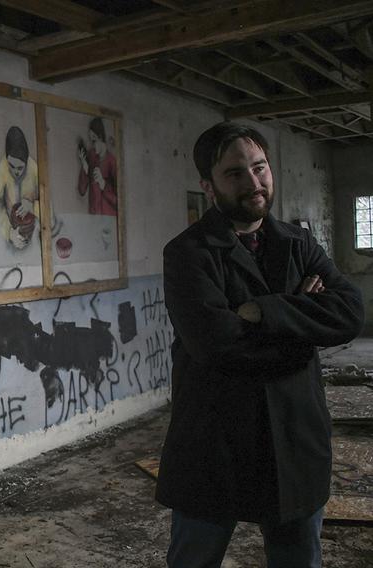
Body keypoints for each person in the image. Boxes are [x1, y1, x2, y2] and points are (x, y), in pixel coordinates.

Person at [157, 122, 363, 567]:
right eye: (235, 173)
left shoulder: (297, 242)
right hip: (215, 441)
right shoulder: (188, 253)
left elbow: (349, 313)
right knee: (195, 557)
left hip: (295, 437)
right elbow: (213, 346)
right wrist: (303, 327)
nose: (253, 183)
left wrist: (262, 312)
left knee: (297, 559)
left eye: (260, 167)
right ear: (208, 186)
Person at [0, 126, 39, 250]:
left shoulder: (34, 169)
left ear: (26, 162)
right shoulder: (2, 168)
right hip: (11, 231)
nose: (15, 172)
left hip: (33, 231)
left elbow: (47, 206)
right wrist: (9, 233)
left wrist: (33, 207)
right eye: (12, 166)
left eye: (20, 168)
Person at [76, 117, 117, 216]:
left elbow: (118, 202)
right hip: (94, 217)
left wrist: (103, 184)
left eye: (94, 141)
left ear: (101, 137)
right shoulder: (91, 156)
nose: (92, 145)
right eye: (90, 140)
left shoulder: (112, 161)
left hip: (108, 219)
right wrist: (85, 167)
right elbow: (81, 190)